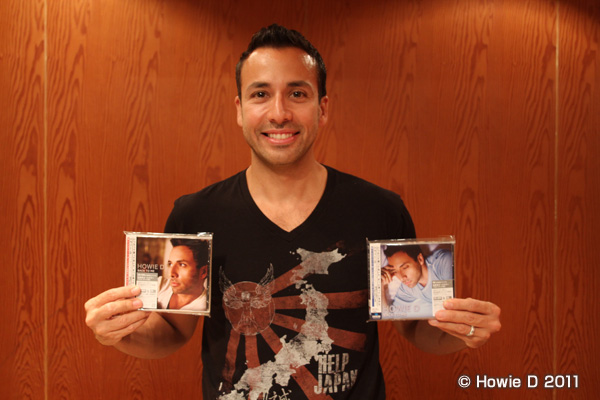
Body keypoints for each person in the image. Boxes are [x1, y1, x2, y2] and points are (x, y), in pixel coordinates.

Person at [84, 24, 501, 399]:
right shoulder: (194, 215)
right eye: (260, 94)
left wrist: (463, 329)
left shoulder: (380, 210)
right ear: (239, 109)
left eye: (297, 94)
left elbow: (416, 327)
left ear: (322, 108)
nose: (279, 112)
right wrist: (119, 333)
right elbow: (172, 332)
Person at [381, 245, 453, 319]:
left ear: (420, 259)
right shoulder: (406, 288)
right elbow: (389, 316)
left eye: (405, 267)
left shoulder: (443, 262)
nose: (402, 278)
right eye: (395, 271)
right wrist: (380, 286)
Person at [156, 238, 209, 311]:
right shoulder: (160, 284)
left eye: (182, 264)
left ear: (203, 272)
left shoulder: (205, 308)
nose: (172, 274)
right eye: (170, 264)